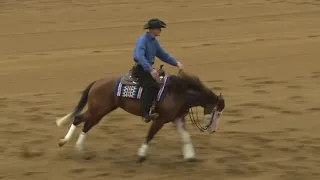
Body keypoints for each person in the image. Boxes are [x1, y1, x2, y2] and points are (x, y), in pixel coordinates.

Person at [133, 18, 184, 123]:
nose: (161, 30)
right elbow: (139, 57)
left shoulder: (154, 42)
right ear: (152, 30)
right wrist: (151, 70)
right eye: (158, 28)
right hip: (141, 69)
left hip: (147, 68)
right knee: (152, 86)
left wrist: (176, 63)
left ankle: (155, 107)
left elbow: (163, 55)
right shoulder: (142, 40)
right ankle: (145, 113)